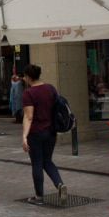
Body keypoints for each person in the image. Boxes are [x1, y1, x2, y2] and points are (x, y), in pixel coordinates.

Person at [21, 64, 67, 206]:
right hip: (51, 131)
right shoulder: (50, 88)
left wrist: (24, 136)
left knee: (37, 163)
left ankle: (39, 196)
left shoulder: (28, 93)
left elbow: (29, 117)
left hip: (35, 133)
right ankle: (59, 184)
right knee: (48, 160)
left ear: (28, 77)